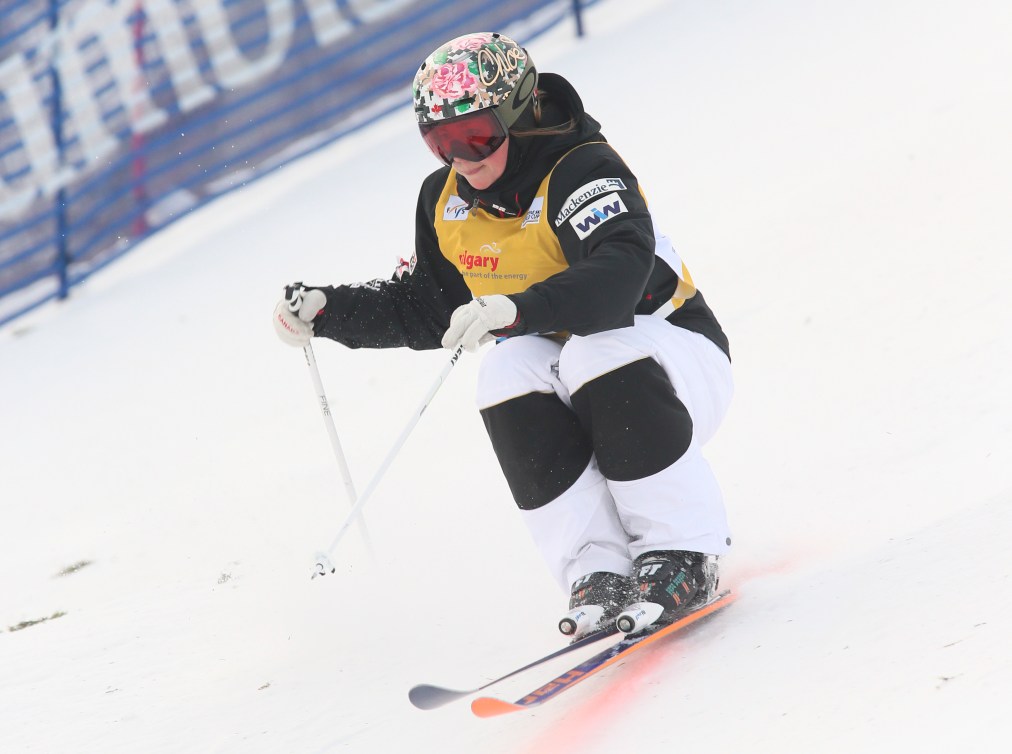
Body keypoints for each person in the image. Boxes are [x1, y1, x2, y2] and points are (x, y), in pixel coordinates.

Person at [274, 31, 733, 638]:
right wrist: (331, 312)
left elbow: (618, 278)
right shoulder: (445, 201)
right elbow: (428, 309)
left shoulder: (582, 169)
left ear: (517, 112)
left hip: (672, 359)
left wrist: (516, 310)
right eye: (440, 143)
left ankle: (683, 552)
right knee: (504, 371)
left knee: (594, 350)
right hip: (582, 381)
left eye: (477, 136)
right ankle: (597, 570)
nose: (463, 159)